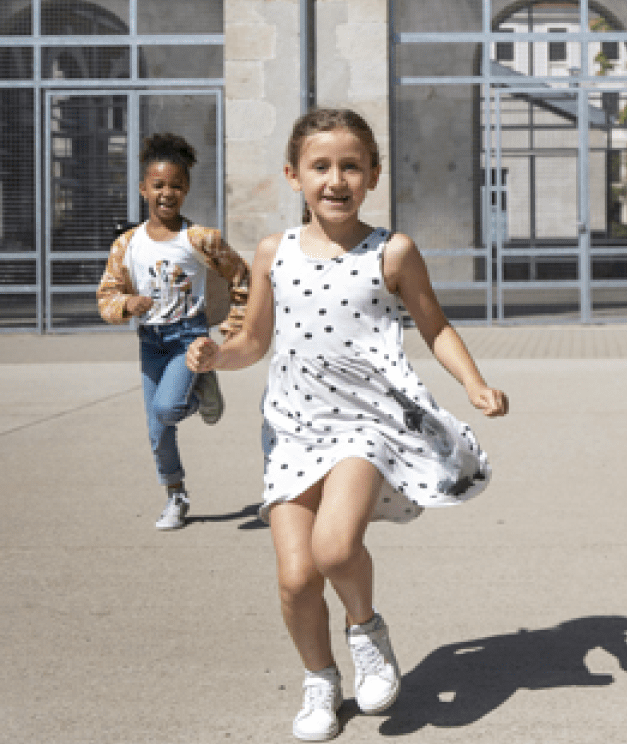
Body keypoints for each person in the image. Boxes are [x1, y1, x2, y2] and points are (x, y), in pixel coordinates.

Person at [185, 108, 507, 742]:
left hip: (367, 426)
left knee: (334, 549)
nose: (336, 179)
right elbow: (255, 339)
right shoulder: (274, 251)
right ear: (293, 175)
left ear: (374, 176)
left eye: (351, 166)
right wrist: (217, 356)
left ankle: (366, 631)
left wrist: (473, 383)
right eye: (321, 166)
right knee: (296, 576)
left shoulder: (392, 252)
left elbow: (434, 326)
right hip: (292, 428)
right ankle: (320, 681)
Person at [95, 132, 249, 531]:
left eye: (176, 185)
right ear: (143, 188)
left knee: (166, 409)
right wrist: (127, 305)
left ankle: (199, 388)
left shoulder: (200, 239)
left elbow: (242, 278)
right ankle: (175, 495)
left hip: (188, 338)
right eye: (159, 185)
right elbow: (107, 294)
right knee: (156, 429)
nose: (167, 193)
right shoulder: (126, 245)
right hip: (151, 342)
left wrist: (231, 329)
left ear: (187, 189)